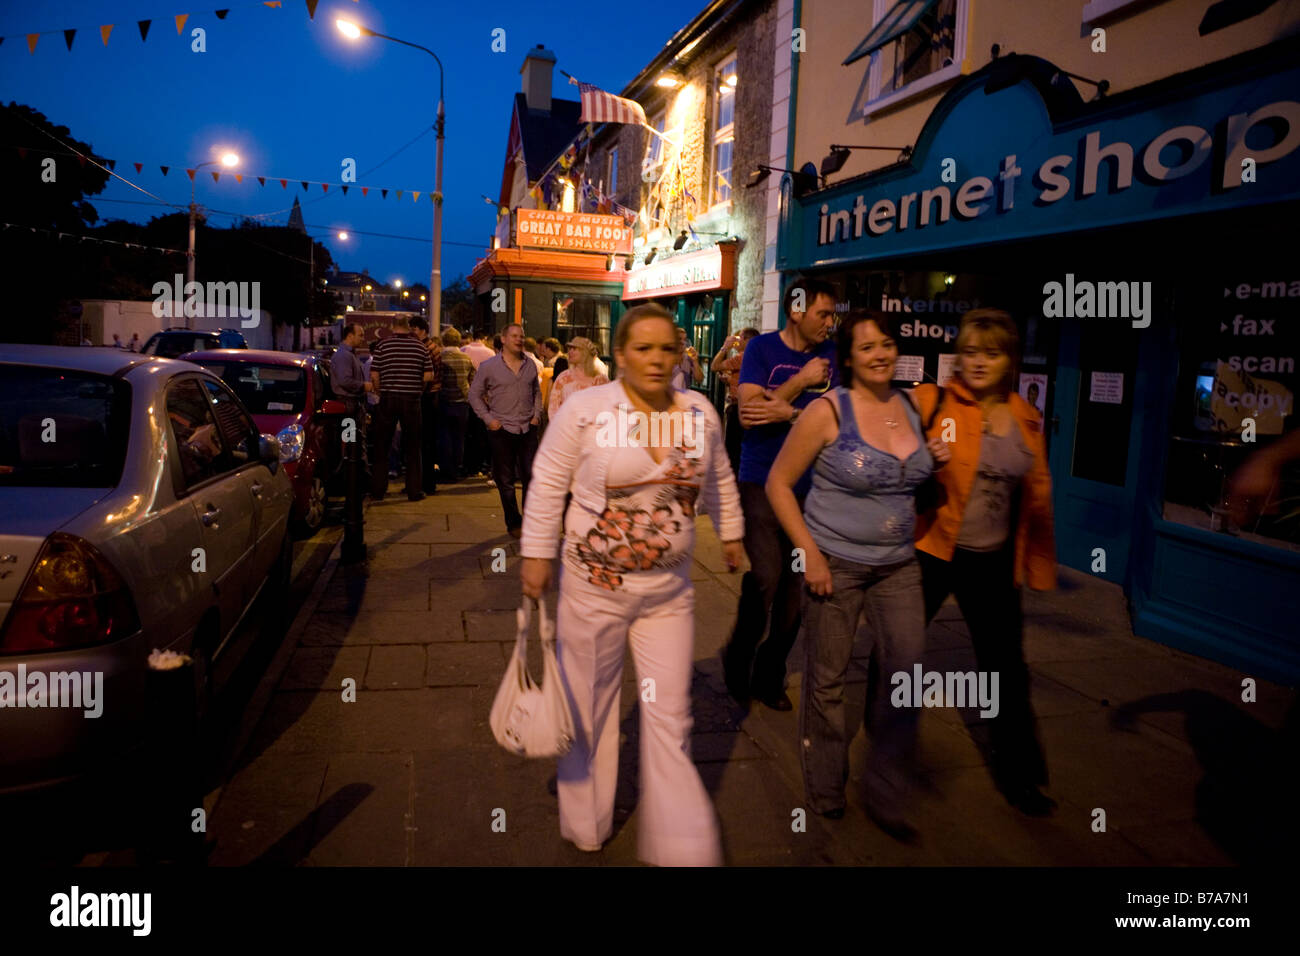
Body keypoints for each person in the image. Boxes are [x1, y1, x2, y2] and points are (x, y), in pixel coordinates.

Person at [519, 302, 746, 864]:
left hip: (668, 594)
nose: (655, 359)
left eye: (666, 348)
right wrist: (535, 552)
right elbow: (547, 481)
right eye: (642, 348)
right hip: (593, 589)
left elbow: (717, 475)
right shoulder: (588, 409)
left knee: (670, 716)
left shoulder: (699, 412)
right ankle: (586, 823)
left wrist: (733, 532)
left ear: (678, 354)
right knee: (590, 707)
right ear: (619, 355)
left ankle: (679, 845)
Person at [767, 311, 949, 841]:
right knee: (827, 680)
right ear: (848, 356)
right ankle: (825, 787)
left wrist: (930, 461)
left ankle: (886, 788)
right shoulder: (828, 411)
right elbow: (780, 484)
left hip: (898, 565)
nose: (878, 354)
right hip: (835, 564)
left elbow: (906, 477)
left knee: (906, 674)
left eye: (886, 344)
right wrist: (811, 556)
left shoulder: (911, 405)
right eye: (866, 346)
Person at [911, 308, 1058, 817]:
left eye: (990, 353)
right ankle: (887, 753)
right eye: (970, 351)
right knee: (899, 655)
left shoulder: (1025, 416)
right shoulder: (931, 401)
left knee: (1006, 673)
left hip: (994, 563)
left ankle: (1020, 777)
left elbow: (1037, 495)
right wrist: (917, 456)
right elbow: (878, 434)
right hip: (932, 550)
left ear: (1009, 360)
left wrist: (1036, 566)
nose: (977, 362)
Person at [721, 278, 839, 710]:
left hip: (812, 493)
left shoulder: (833, 356)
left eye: (832, 314)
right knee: (767, 577)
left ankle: (769, 674)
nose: (830, 322)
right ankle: (738, 658)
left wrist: (788, 411)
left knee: (796, 594)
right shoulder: (762, 350)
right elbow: (750, 415)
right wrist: (802, 382)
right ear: (796, 311)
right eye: (823, 314)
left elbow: (837, 418)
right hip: (761, 483)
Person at [469, 323, 542, 537]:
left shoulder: (530, 365)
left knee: (531, 476)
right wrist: (488, 419)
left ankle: (529, 521)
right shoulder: (489, 366)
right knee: (505, 480)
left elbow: (536, 391)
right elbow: (474, 395)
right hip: (501, 430)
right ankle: (514, 522)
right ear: (503, 339)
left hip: (528, 428)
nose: (519, 339)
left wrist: (537, 415)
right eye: (514, 336)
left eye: (522, 336)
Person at [369, 316, 433, 502]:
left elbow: (374, 375)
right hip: (411, 399)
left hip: (388, 398)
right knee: (413, 447)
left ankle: (378, 490)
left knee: (382, 446)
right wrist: (417, 388)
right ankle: (414, 491)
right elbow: (429, 375)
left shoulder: (382, 346)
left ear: (393, 326)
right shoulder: (420, 346)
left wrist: (381, 391)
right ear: (409, 328)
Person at [712, 328, 760, 475]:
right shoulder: (758, 356)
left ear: (746, 340)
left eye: (739, 339)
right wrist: (731, 380)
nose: (736, 342)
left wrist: (725, 347)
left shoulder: (741, 357)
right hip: (751, 406)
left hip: (737, 406)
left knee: (732, 449)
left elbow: (715, 366)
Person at [437, 328, 475, 482]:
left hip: (444, 401)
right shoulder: (466, 359)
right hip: (462, 403)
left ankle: (446, 469)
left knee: (444, 437)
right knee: (459, 437)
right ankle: (456, 467)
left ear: (443, 341)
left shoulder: (440, 357)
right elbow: (473, 379)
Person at [411, 318, 441, 495]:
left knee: (423, 442)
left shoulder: (425, 349)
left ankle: (425, 483)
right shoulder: (432, 347)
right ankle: (427, 482)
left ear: (423, 330)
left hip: (427, 397)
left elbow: (428, 376)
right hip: (431, 397)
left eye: (414, 329)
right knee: (427, 442)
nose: (412, 332)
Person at [548, 337, 609, 420]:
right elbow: (553, 408)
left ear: (585, 353)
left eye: (575, 348)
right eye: (570, 348)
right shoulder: (563, 378)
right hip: (566, 429)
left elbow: (607, 408)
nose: (570, 351)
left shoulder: (601, 379)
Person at [670, 327, 704, 392]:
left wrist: (695, 361)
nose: (683, 342)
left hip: (684, 398)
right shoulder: (666, 358)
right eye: (679, 339)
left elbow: (700, 379)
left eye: (685, 339)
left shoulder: (688, 358)